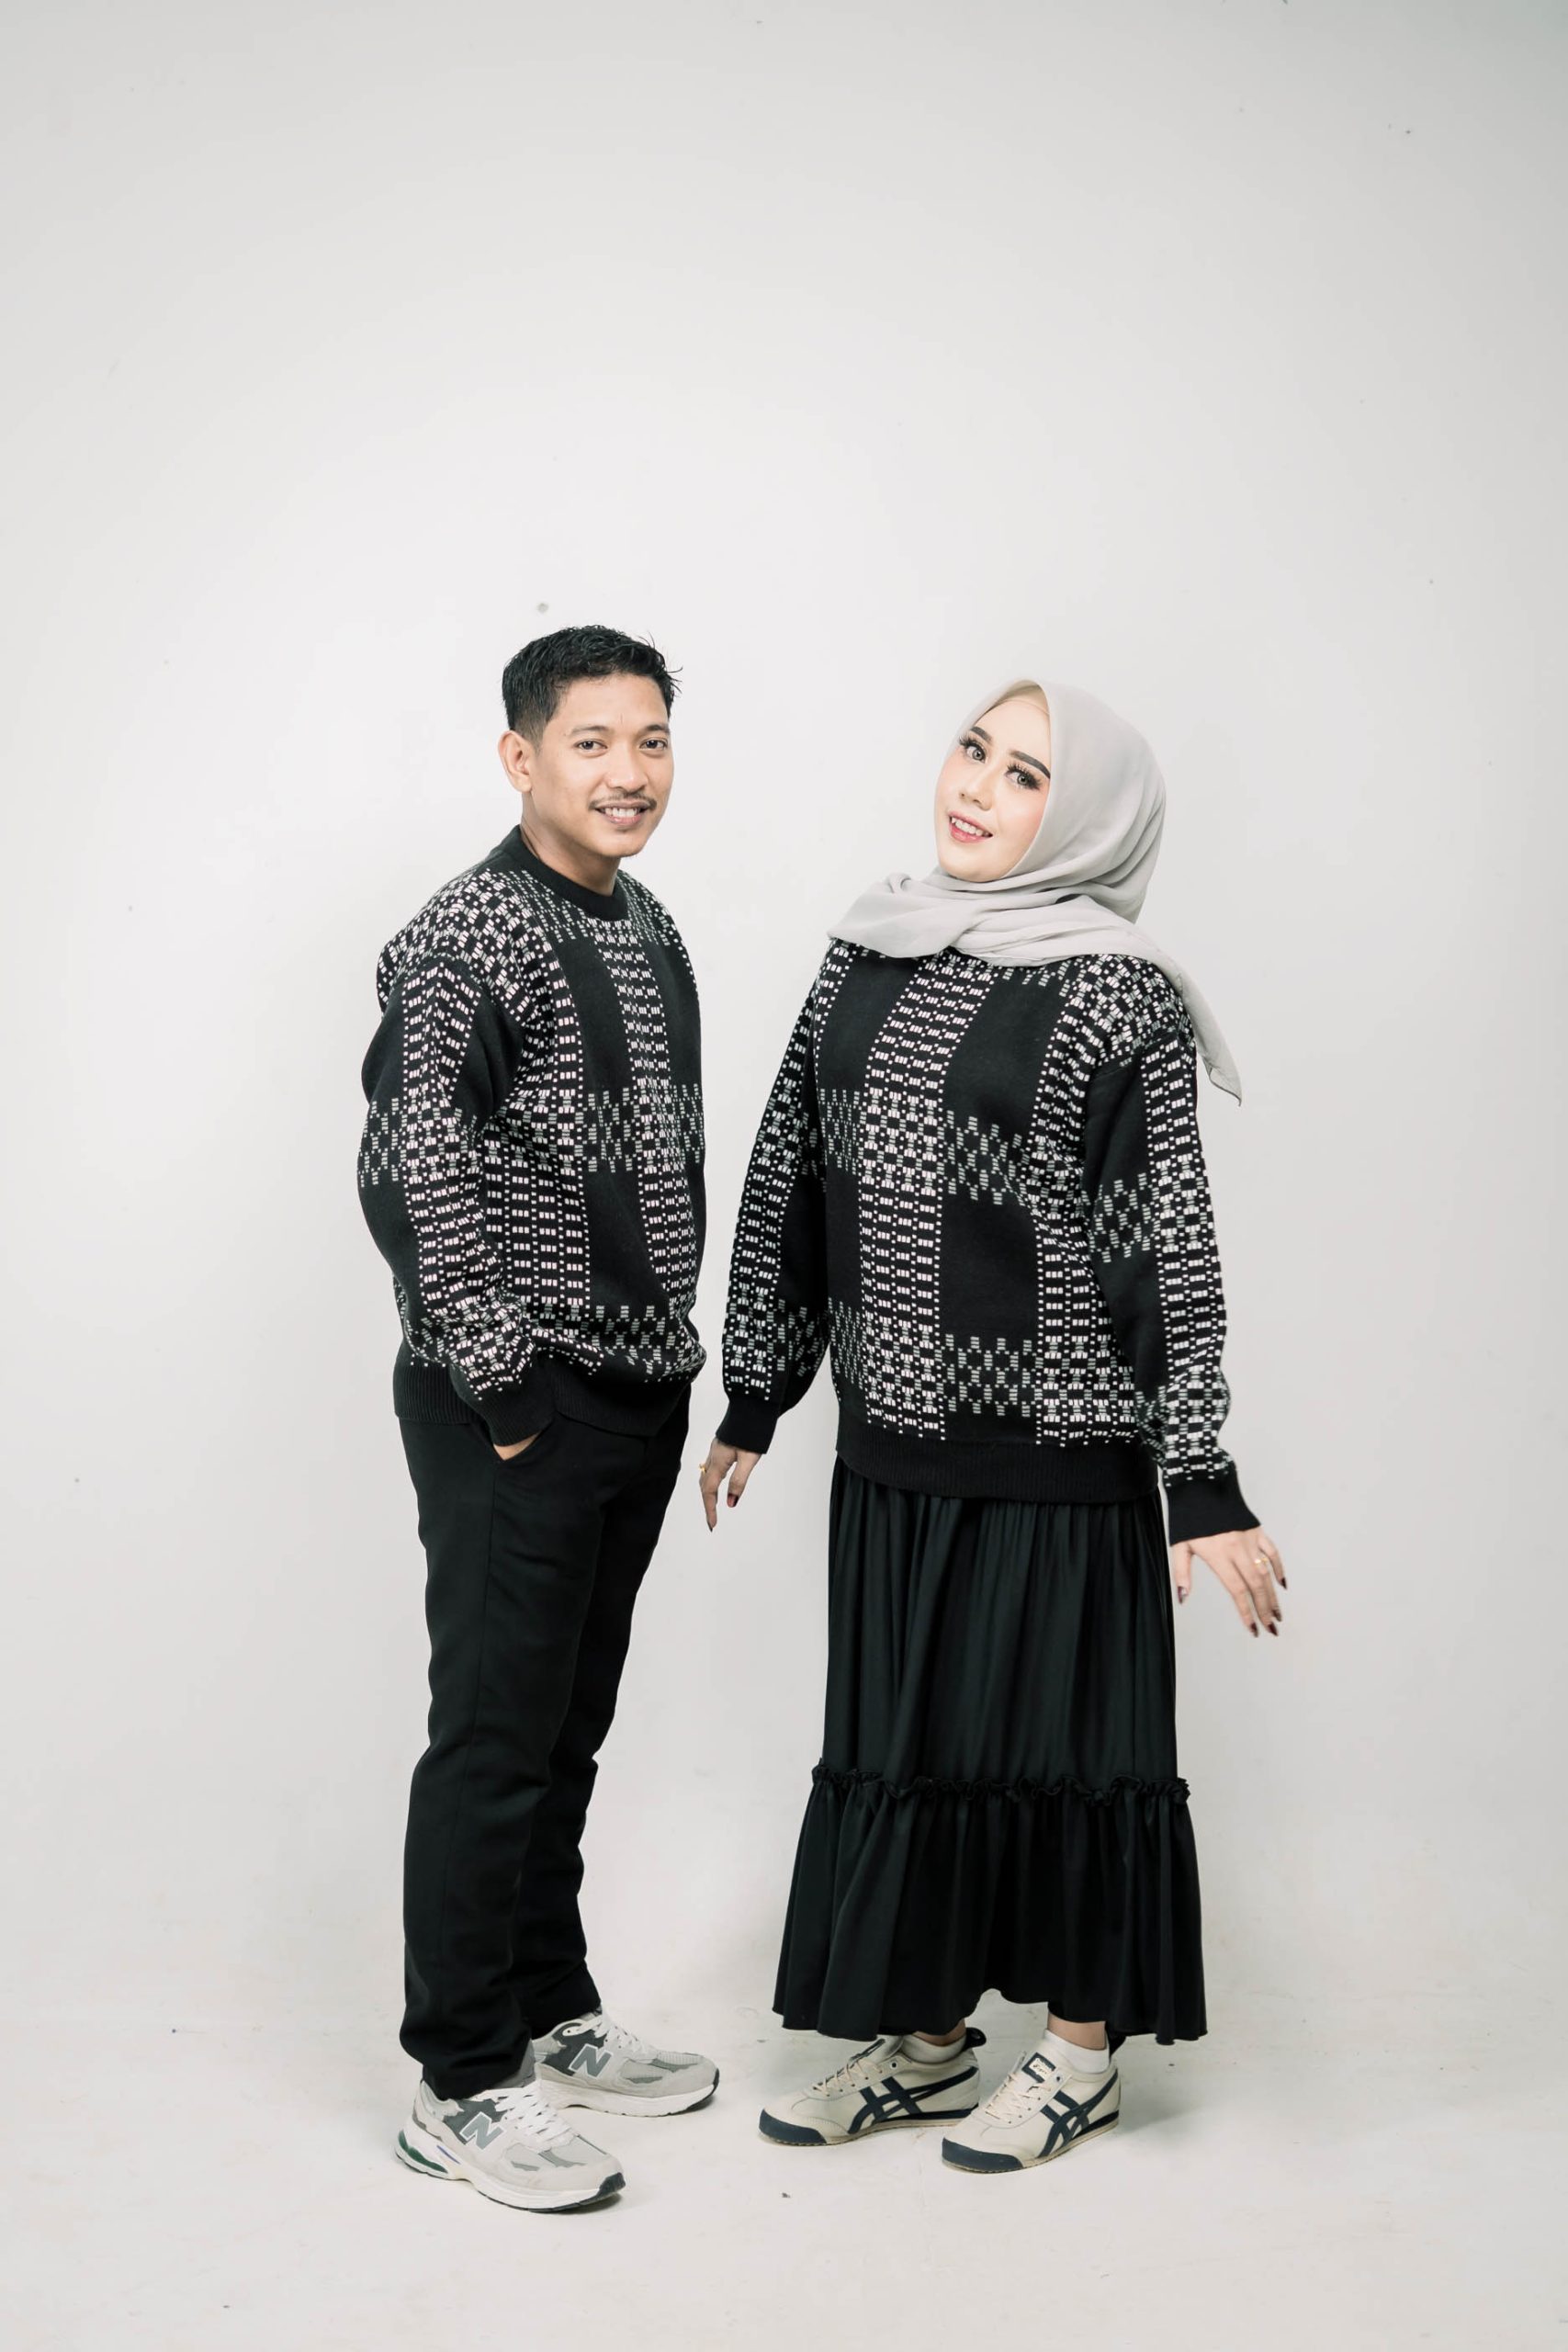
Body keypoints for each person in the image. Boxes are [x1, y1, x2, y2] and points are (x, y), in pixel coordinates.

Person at [700, 674, 1284, 2176]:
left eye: (1026, 774)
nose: (976, 787)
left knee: (1064, 1754)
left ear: (1083, 817)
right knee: (913, 1746)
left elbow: (1162, 1238)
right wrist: (758, 1390)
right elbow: (792, 1170)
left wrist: (1200, 1477)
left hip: (1059, 1458)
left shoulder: (1117, 993)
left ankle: (1081, 2058)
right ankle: (931, 2044)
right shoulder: (869, 946)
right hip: (892, 1450)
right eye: (973, 749)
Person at [359, 624, 716, 2215]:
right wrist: (506, 1393)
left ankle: (549, 2007)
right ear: (522, 759)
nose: (628, 773)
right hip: (518, 1403)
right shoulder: (465, 937)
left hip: (636, 1390)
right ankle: (459, 2080)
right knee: (496, 1736)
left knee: (567, 1725)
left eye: (651, 740)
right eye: (592, 743)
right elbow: (412, 1170)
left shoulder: (648, 925)